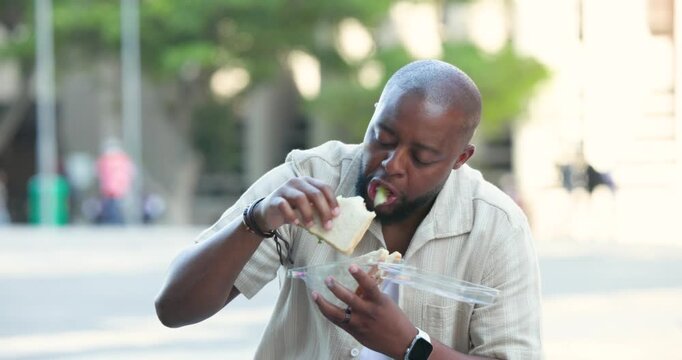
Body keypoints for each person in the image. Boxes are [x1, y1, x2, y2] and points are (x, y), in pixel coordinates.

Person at [155, 60, 542, 359]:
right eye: (382, 137)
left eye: (421, 157)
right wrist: (255, 220)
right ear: (374, 114)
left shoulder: (496, 227)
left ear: (461, 158)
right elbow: (174, 309)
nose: (392, 164)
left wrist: (412, 346)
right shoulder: (308, 178)